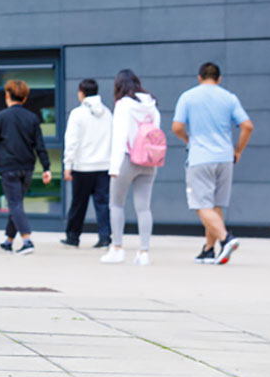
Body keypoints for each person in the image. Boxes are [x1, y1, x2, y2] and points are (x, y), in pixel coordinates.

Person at [172, 62, 253, 265]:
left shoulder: (188, 97)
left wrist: (188, 139)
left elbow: (177, 127)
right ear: (219, 78)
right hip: (225, 158)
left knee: (201, 204)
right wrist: (238, 151)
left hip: (200, 158)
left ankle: (227, 239)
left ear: (199, 77)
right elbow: (247, 126)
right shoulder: (229, 98)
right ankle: (208, 249)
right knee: (215, 206)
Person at [0, 80, 52, 256]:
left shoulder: (0, 118)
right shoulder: (32, 118)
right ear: (24, 98)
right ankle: (9, 241)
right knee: (16, 204)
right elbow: (40, 145)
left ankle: (27, 240)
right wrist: (46, 168)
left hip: (9, 167)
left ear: (7, 95)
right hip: (27, 168)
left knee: (15, 204)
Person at [101, 69, 161, 266]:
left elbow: (119, 137)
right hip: (149, 160)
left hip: (127, 159)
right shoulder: (152, 104)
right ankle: (144, 253)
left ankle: (117, 248)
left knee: (116, 204)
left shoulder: (123, 105)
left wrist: (114, 167)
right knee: (144, 208)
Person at [61, 79, 113, 249]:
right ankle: (105, 237)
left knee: (78, 204)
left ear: (81, 93)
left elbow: (72, 142)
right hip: (104, 165)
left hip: (82, 167)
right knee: (102, 204)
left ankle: (73, 237)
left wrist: (68, 165)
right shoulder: (107, 113)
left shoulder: (77, 113)